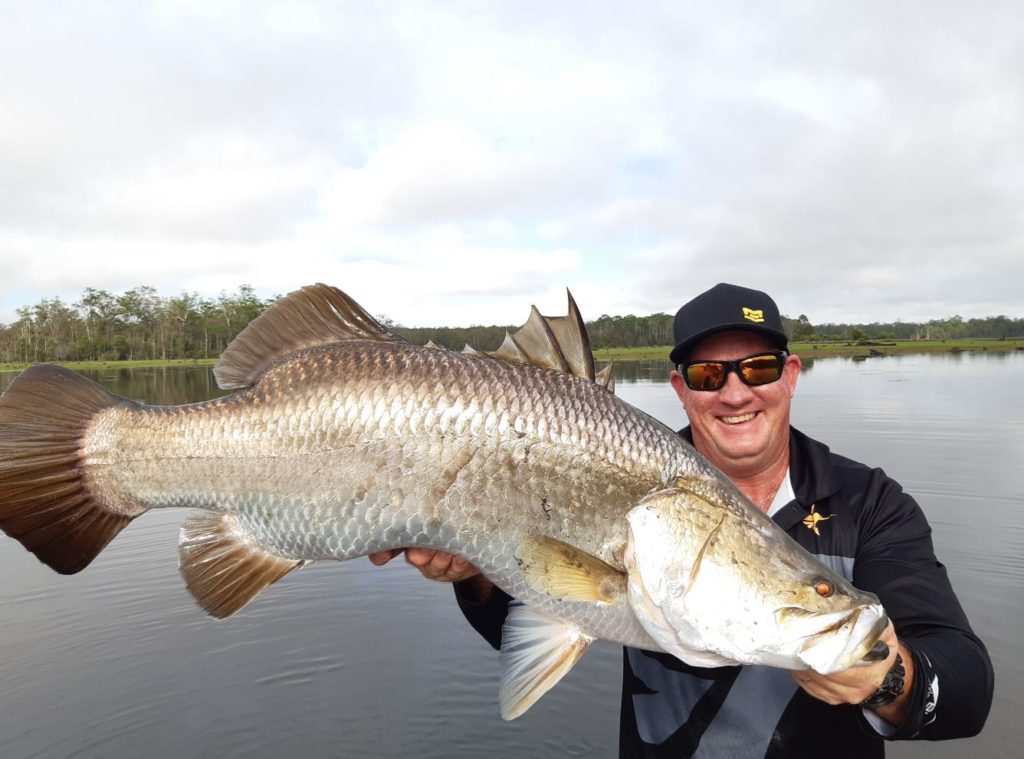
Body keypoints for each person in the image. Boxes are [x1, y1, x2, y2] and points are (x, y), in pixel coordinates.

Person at [370, 282, 993, 757]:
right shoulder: (623, 470)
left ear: (792, 375)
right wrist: (473, 577)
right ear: (679, 388)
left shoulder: (869, 502)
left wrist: (887, 678)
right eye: (707, 373)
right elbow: (542, 607)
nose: (735, 392)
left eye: (759, 367)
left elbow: (966, 694)